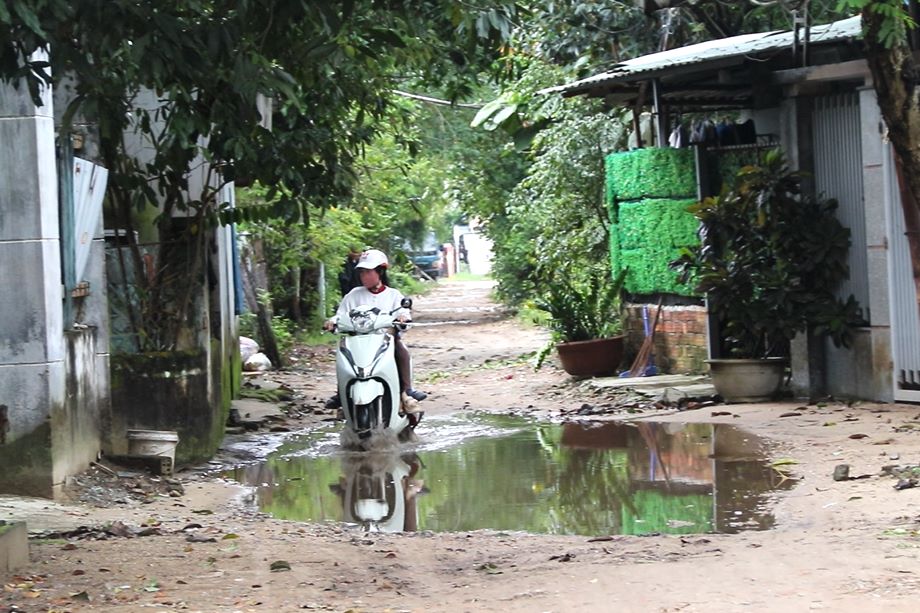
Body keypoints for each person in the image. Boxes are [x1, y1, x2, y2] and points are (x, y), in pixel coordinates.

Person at [324, 248, 427, 406]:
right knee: (343, 354)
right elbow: (340, 315)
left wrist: (402, 318)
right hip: (358, 342)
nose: (364, 276)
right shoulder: (353, 295)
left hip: (385, 341)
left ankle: (407, 390)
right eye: (362, 272)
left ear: (380, 271)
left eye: (368, 272)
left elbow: (403, 313)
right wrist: (332, 322)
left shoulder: (393, 295)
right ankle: (341, 393)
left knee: (400, 349)